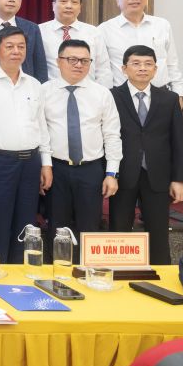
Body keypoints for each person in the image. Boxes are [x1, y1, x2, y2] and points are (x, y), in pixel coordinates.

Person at [0, 26, 52, 264]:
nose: (16, 51)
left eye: (21, 47)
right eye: (9, 46)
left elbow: (41, 126)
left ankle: (19, 276)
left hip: (30, 163)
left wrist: (46, 164)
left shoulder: (35, 84)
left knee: (25, 225)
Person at [41, 39, 122, 257]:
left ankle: (87, 271)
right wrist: (45, 165)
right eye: (72, 59)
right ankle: (57, 271)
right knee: (57, 228)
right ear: (58, 61)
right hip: (56, 169)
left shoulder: (102, 94)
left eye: (85, 61)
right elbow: (41, 134)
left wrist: (111, 173)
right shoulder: (44, 92)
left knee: (89, 227)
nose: (79, 65)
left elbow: (112, 135)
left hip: (91, 169)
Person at [109, 45, 183, 265]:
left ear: (155, 69)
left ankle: (160, 277)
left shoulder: (169, 99)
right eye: (136, 63)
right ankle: (119, 274)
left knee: (158, 232)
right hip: (123, 174)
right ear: (124, 68)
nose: (142, 68)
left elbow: (177, 141)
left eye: (148, 64)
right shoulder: (111, 96)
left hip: (158, 175)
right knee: (119, 230)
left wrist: (178, 179)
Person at [99, 0, 183, 97]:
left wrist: (178, 93)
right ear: (118, 0)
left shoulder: (162, 25)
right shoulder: (104, 29)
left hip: (161, 95)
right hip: (121, 97)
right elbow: (102, 70)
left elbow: (172, 64)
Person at [39, 0, 113, 87]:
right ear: (53, 5)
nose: (69, 6)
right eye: (63, 1)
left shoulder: (93, 32)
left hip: (87, 92)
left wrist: (102, 93)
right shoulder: (39, 31)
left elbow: (103, 69)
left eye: (74, 2)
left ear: (80, 7)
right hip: (51, 93)